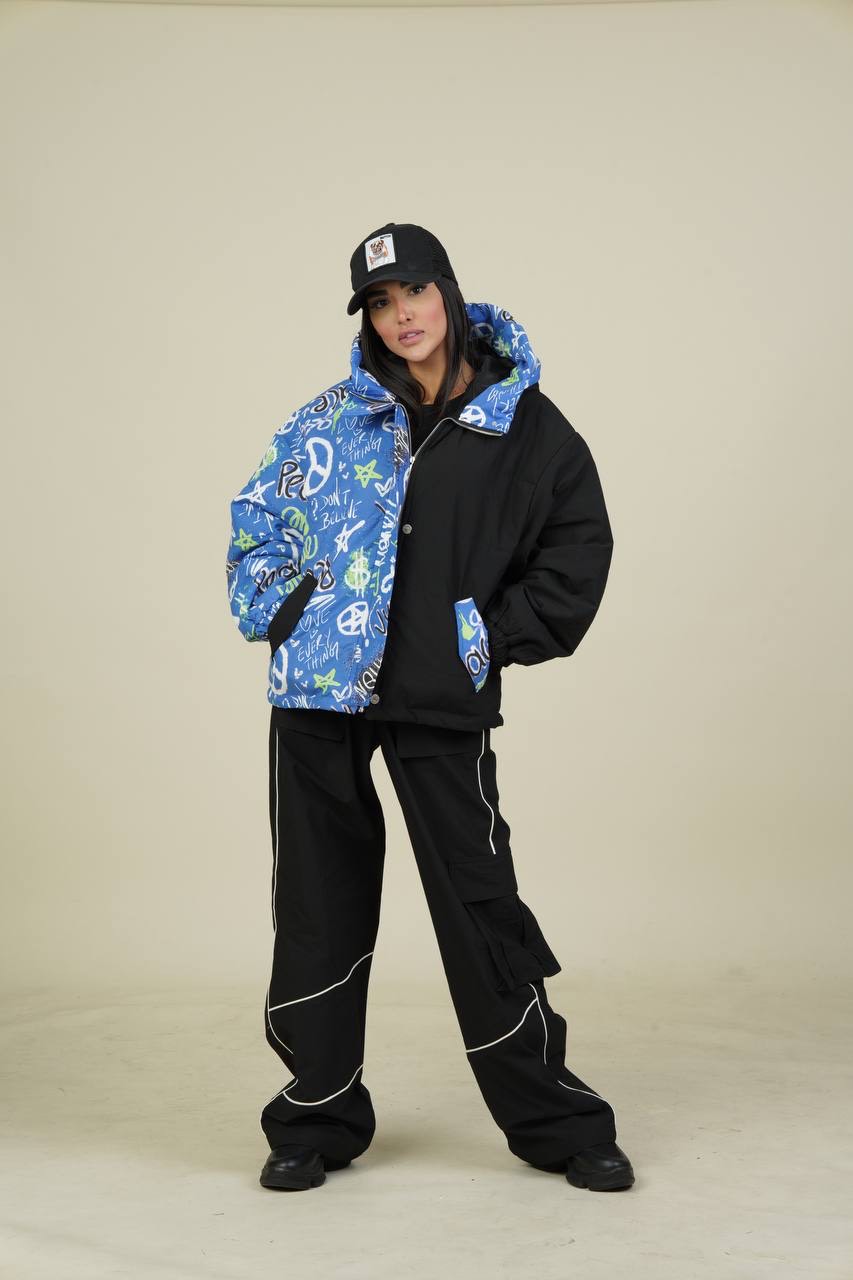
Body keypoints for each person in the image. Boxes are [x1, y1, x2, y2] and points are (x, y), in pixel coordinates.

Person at [225, 221, 635, 1193]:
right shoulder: (330, 418)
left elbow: (578, 543)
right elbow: (254, 525)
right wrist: (287, 612)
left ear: (447, 291)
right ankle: (314, 1120)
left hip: (437, 691)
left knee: (478, 900)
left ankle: (555, 1120)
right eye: (379, 301)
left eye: (413, 291)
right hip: (319, 694)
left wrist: (485, 636)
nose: (400, 314)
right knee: (316, 906)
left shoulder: (521, 424)